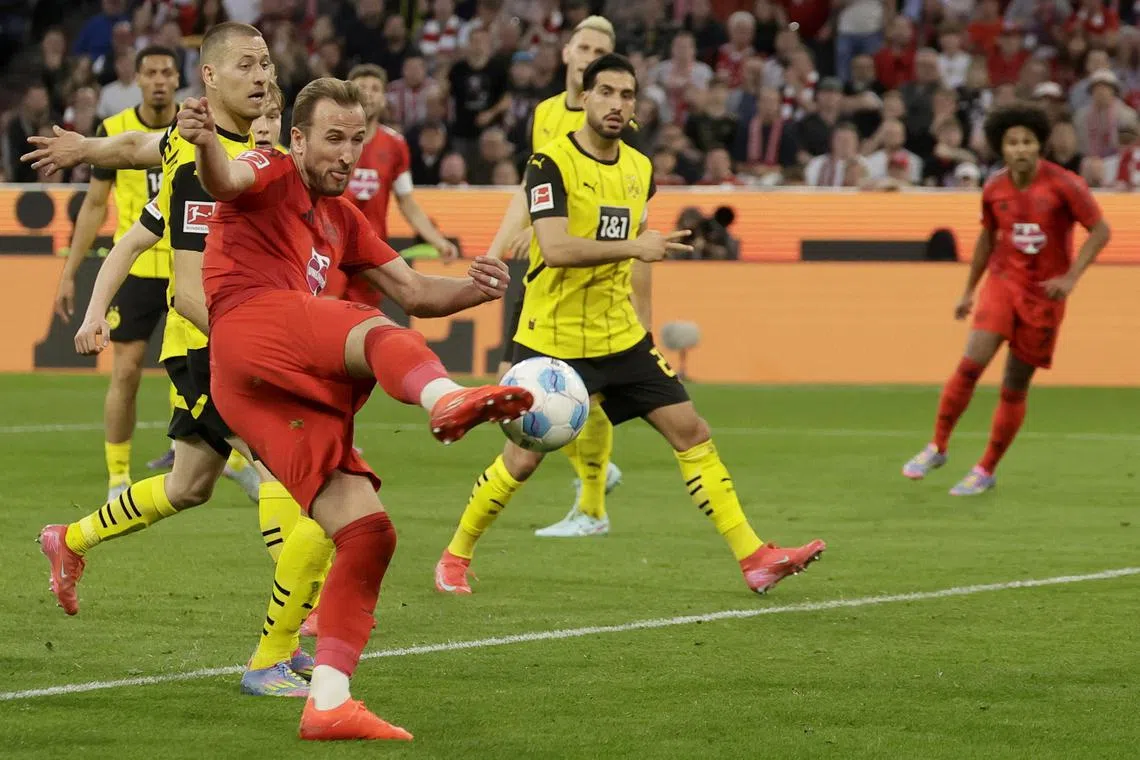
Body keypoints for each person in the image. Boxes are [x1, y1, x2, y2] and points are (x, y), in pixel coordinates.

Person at [179, 76, 531, 741]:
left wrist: (473, 291)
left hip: (257, 389)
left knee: (369, 532)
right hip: (251, 326)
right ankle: (444, 396)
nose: (346, 154)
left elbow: (415, 291)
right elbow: (226, 179)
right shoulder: (271, 166)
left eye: (357, 140)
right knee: (370, 327)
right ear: (300, 138)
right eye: (332, 139)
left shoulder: (343, 220)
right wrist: (203, 148)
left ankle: (330, 702)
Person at [434, 54, 826, 597]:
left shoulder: (640, 170)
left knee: (692, 432)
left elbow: (640, 255)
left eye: (627, 95)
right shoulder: (549, 164)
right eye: (607, 92)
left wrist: (644, 321)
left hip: (620, 336)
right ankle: (455, 554)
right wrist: (635, 246)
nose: (617, 104)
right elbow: (555, 248)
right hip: (553, 338)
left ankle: (755, 557)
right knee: (521, 460)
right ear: (586, 97)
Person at [30, 23, 332, 699]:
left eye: (266, 64)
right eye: (246, 65)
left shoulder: (211, 150)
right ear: (211, 78)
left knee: (192, 483)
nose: (261, 76)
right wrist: (279, 344)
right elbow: (188, 291)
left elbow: (140, 214)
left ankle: (70, 538)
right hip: (216, 347)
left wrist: (89, 149)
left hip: (226, 343)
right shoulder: (206, 172)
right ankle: (276, 652)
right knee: (306, 472)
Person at [902, 103, 1111, 494]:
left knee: (1014, 383)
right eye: (1012, 142)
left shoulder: (1065, 185)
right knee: (971, 363)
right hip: (1003, 282)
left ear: (1040, 145)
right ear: (1002, 147)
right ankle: (938, 445)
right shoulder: (994, 186)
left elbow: (1100, 230)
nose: (1020, 149)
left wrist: (1070, 277)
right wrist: (967, 291)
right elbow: (986, 239)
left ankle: (986, 468)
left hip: (1044, 295)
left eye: (1028, 142)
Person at [490, 15, 638, 539]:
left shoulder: (620, 127)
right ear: (568, 54)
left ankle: (593, 495)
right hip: (540, 270)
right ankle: (593, 479)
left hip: (583, 277)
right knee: (532, 382)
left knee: (565, 388)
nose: (588, 55)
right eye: (583, 47)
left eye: (600, 48)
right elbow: (532, 187)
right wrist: (499, 244)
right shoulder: (547, 113)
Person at [51, 45, 183, 503]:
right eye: (152, 73)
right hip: (138, 268)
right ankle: (118, 478)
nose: (160, 80)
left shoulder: (195, 126)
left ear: (178, 77)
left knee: (197, 368)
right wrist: (70, 273)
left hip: (188, 265)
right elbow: (93, 206)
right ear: (139, 80)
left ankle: (202, 459)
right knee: (125, 372)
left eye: (168, 72)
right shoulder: (114, 130)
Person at [324, 64, 458, 306]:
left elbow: (406, 202)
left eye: (375, 88)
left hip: (371, 252)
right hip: (328, 247)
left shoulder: (396, 145)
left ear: (385, 99)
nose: (368, 93)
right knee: (324, 320)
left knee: (363, 324)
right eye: (361, 87)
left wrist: (437, 240)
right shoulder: (326, 138)